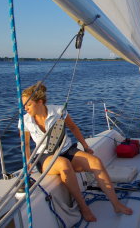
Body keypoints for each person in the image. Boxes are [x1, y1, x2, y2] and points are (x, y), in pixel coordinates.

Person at [20, 83, 132, 222]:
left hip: (67, 150)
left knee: (95, 162)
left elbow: (73, 127)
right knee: (64, 164)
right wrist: (27, 162)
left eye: (28, 104)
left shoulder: (58, 111)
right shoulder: (25, 120)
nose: (25, 108)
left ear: (40, 102)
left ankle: (116, 204)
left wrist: (86, 147)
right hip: (44, 156)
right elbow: (25, 143)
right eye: (24, 105)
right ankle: (83, 207)